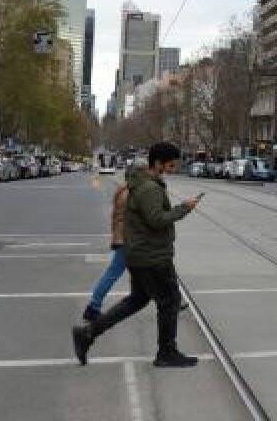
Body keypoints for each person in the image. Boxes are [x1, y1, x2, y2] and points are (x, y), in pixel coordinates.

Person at [73, 142, 201, 368]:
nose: (172, 169)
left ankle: (88, 333)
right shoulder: (150, 188)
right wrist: (184, 208)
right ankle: (166, 352)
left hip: (140, 254)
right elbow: (157, 219)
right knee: (170, 301)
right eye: (170, 165)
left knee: (137, 300)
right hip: (152, 256)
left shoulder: (143, 183)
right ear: (158, 163)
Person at [81, 168, 135, 322]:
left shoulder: (123, 190)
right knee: (151, 271)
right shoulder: (129, 194)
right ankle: (93, 307)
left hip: (123, 239)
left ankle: (93, 307)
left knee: (116, 273)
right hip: (128, 240)